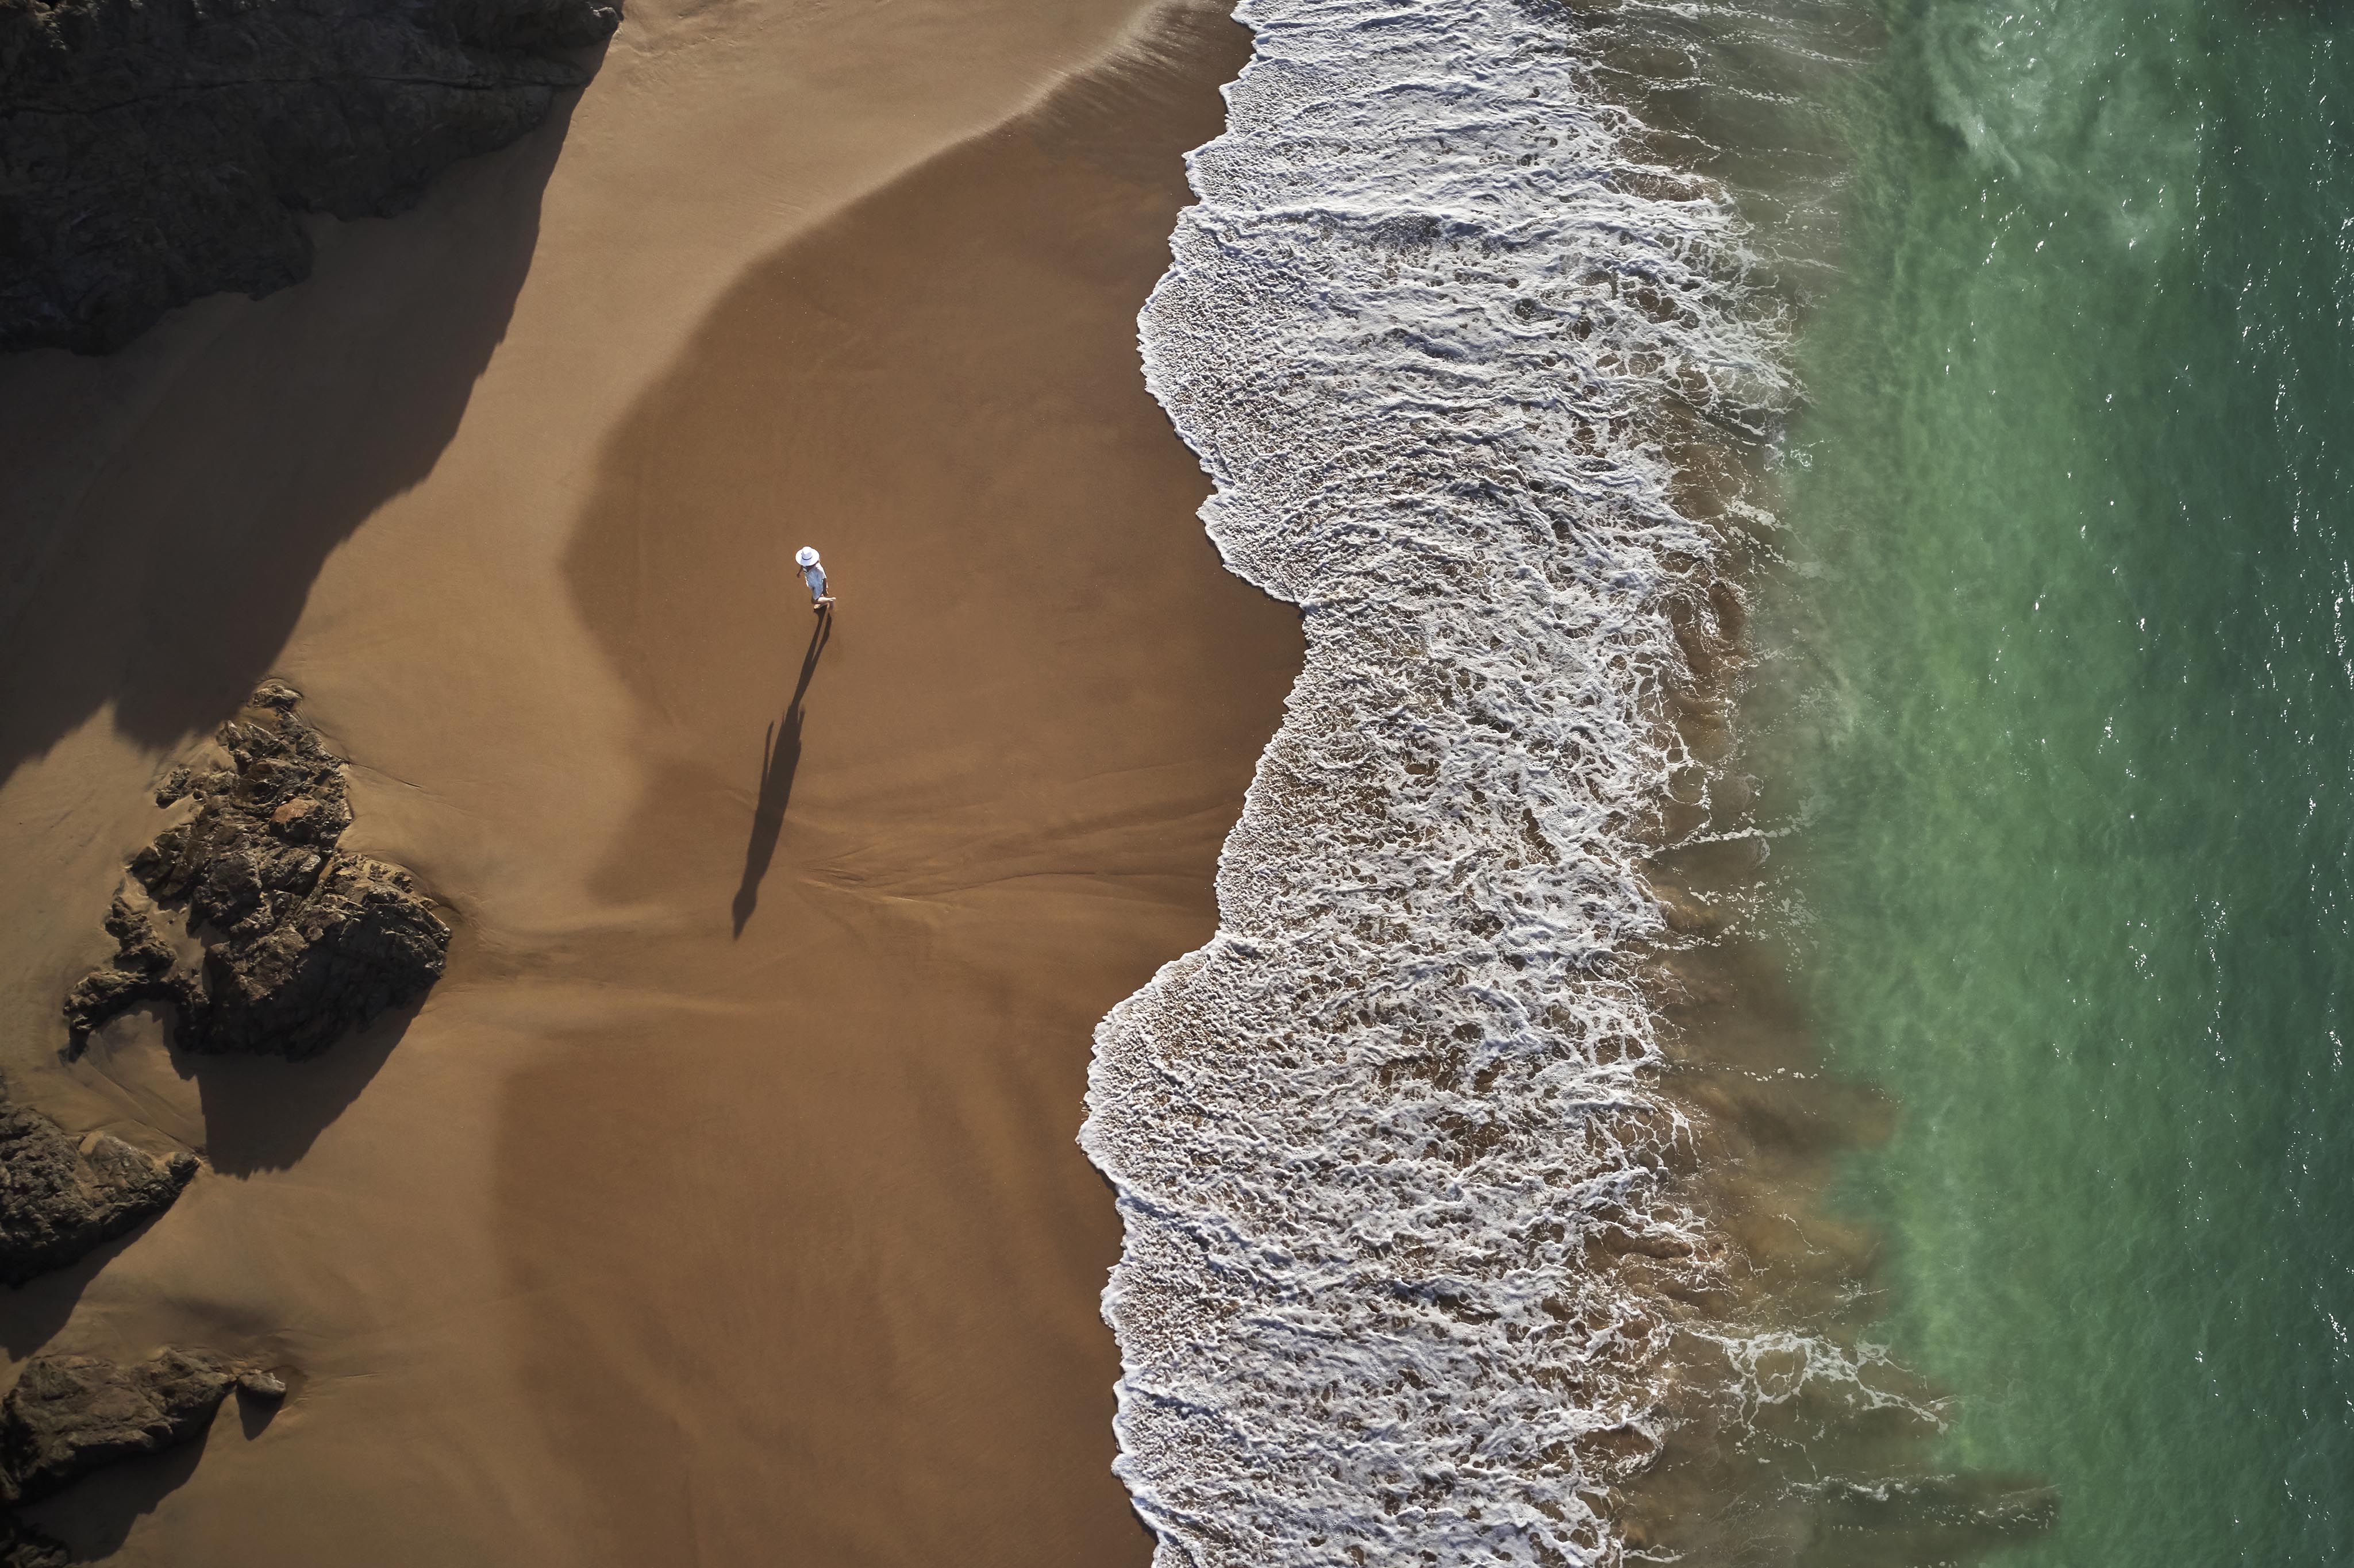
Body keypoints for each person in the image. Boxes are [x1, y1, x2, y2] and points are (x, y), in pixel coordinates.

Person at [795, 546, 834, 612]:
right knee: (817, 593)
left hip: (818, 586)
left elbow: (824, 578)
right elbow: (802, 565)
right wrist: (799, 572)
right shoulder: (805, 564)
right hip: (811, 582)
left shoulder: (818, 569)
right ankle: (823, 601)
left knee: (814, 601)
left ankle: (830, 600)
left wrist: (825, 590)